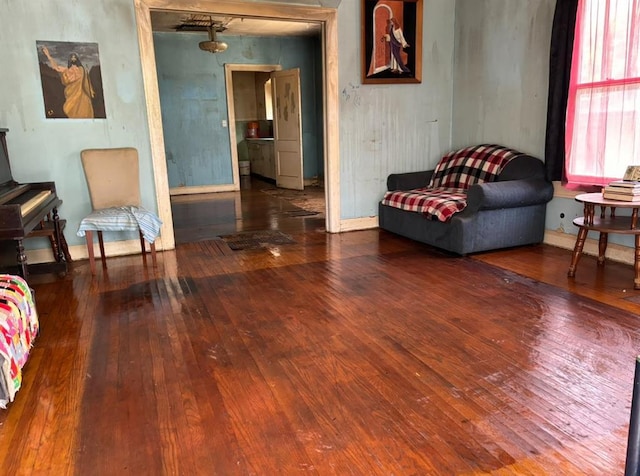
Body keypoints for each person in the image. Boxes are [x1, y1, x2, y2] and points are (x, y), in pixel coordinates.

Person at [41, 46, 95, 118]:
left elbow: (86, 82)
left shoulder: (82, 70)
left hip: (82, 96)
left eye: (74, 57)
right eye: (71, 58)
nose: (73, 59)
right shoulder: (68, 70)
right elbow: (56, 67)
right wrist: (48, 55)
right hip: (71, 95)